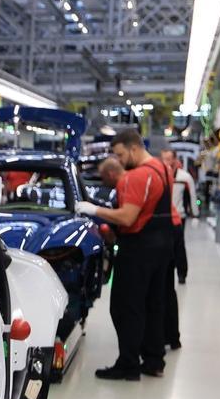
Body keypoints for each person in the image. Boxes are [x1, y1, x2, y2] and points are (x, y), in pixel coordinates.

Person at [75, 129, 180, 381]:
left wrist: (94, 209)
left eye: (121, 155)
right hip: (164, 243)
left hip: (139, 247)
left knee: (125, 306)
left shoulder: (137, 176)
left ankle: (129, 364)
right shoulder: (162, 168)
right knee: (154, 303)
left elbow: (127, 217)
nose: (119, 161)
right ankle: (155, 360)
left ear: (134, 148)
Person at [160, 149, 197, 283]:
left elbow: (192, 196)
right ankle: (164, 274)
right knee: (163, 246)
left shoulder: (185, 177)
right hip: (163, 217)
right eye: (164, 158)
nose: (166, 162)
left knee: (179, 246)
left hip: (179, 216)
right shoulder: (159, 175)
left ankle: (182, 273)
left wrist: (195, 214)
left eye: (169, 159)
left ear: (175, 159)